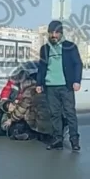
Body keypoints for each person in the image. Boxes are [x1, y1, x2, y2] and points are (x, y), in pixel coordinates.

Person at [36, 20, 83, 152]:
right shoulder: (45, 49)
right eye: (51, 33)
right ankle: (57, 139)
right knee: (54, 114)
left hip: (66, 86)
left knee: (70, 113)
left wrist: (77, 81)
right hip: (51, 86)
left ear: (61, 33)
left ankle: (74, 140)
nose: (54, 35)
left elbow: (77, 64)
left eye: (56, 32)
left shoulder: (70, 47)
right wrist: (39, 83)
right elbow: (42, 67)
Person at [0, 64, 53, 141]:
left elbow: (23, 106)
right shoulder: (16, 83)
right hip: (21, 109)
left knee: (33, 118)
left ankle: (33, 134)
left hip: (34, 111)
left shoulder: (29, 87)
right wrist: (5, 104)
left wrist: (11, 118)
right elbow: (5, 94)